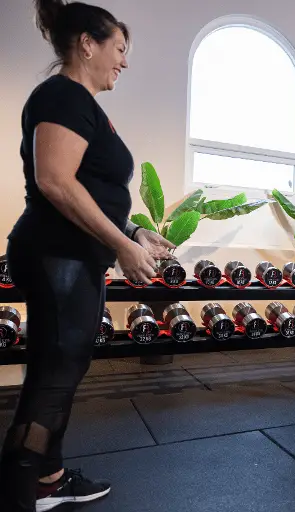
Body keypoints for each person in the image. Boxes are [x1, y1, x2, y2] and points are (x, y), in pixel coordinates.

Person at [0, 2, 175, 511]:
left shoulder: (79, 102)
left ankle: (48, 479)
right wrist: (120, 246)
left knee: (58, 372)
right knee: (52, 383)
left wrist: (133, 230)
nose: (125, 61)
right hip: (59, 257)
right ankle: (15, 493)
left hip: (71, 258)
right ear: (87, 45)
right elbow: (55, 180)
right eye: (119, 49)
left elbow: (89, 189)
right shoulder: (62, 95)